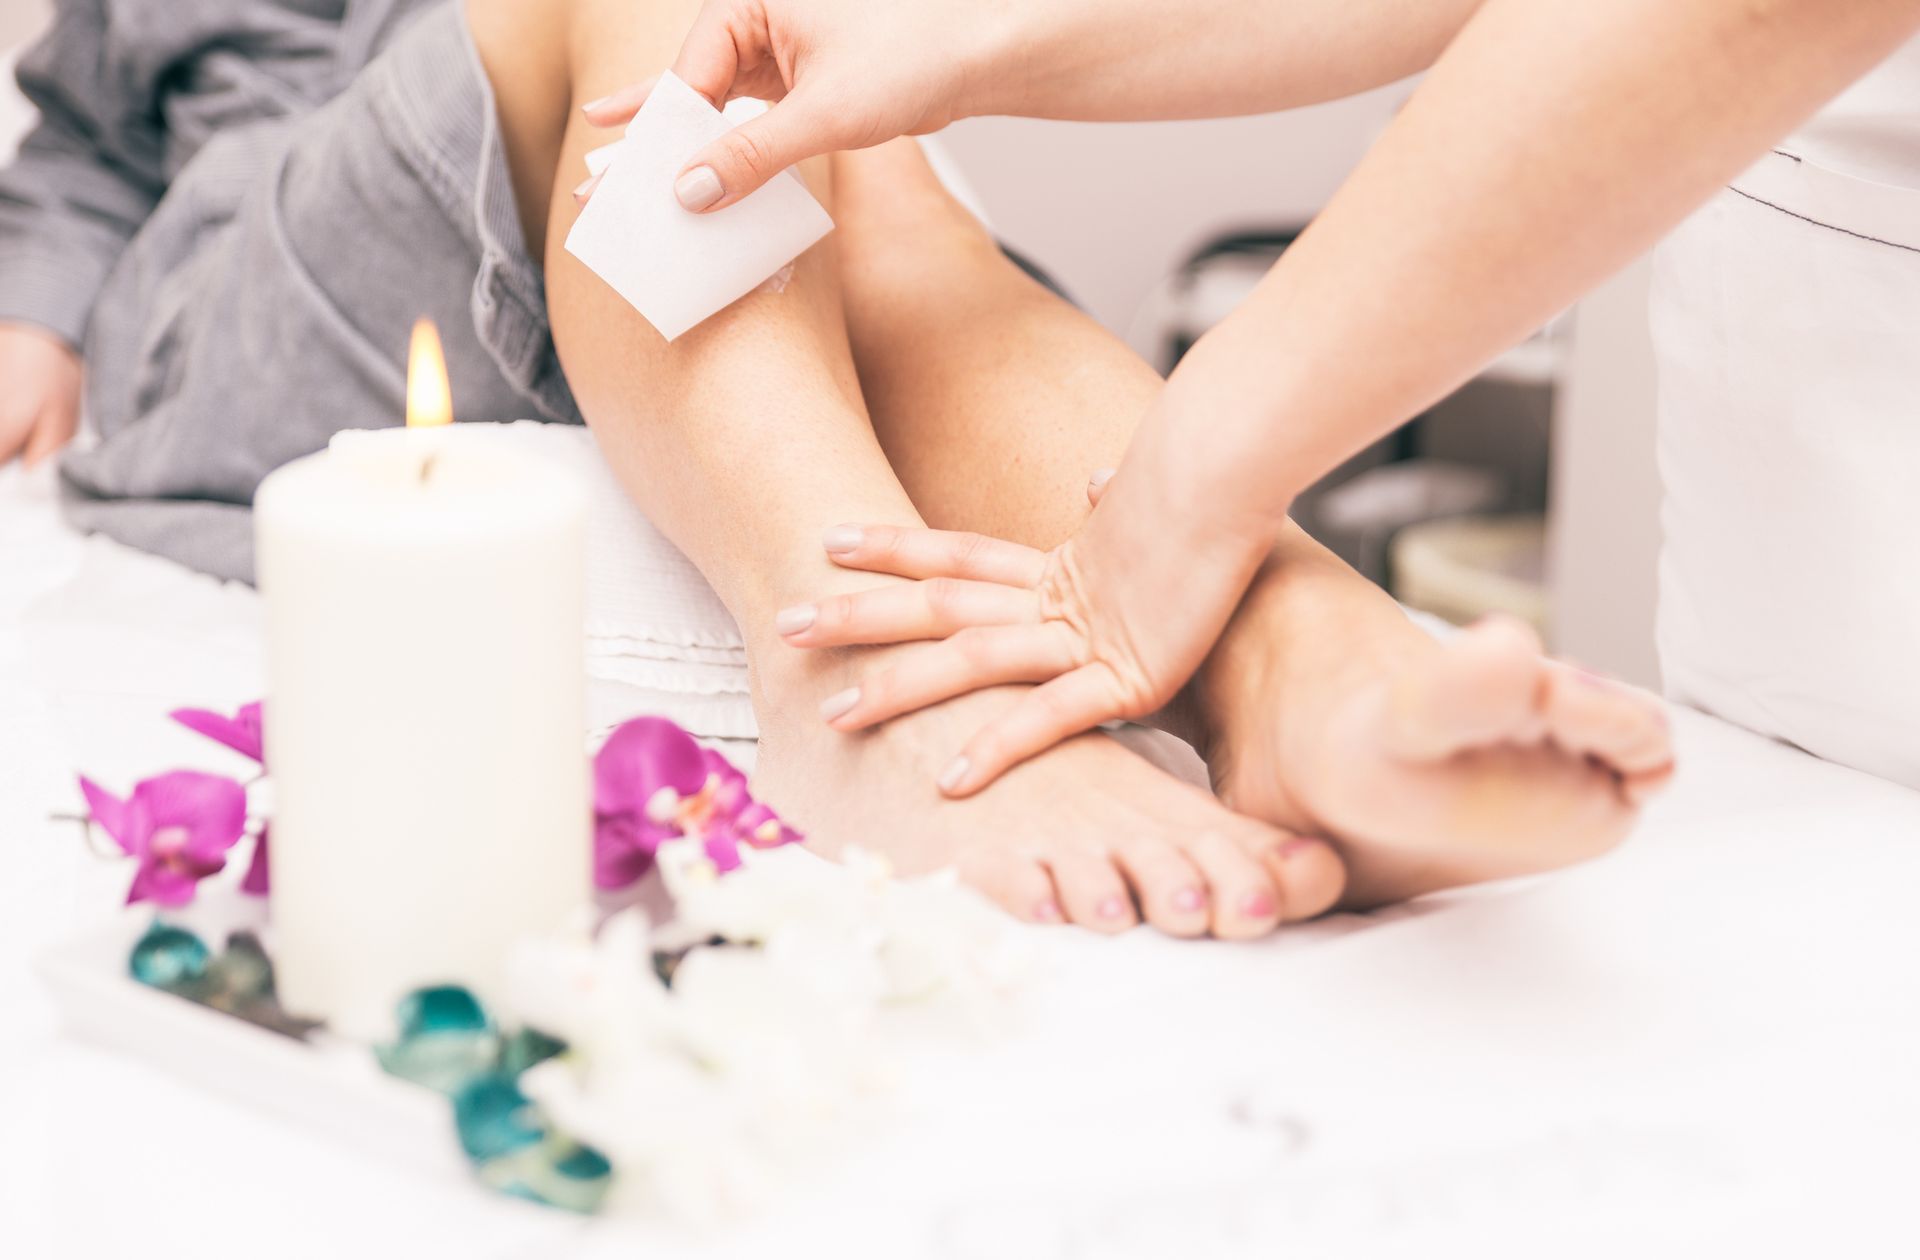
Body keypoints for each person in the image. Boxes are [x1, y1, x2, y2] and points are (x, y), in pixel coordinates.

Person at [0, 0, 1669, 937]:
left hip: (641, 194)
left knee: (810, 133)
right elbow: (79, 142)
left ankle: (1303, 671)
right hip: (253, 299)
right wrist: (35, 318)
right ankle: (864, 670)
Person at [632, 0, 1920, 796]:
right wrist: (962, 30)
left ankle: (1315, 685)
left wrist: (1202, 464)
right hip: (1793, 678)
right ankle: (1318, 696)